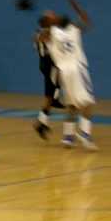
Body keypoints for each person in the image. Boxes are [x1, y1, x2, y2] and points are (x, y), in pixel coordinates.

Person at [41, 0, 98, 151]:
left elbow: (41, 36)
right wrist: (76, 5)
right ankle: (85, 135)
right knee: (88, 103)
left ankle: (68, 137)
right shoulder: (74, 30)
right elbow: (86, 19)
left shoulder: (51, 33)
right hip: (77, 68)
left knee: (72, 104)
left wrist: (49, 20)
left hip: (64, 71)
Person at [33, 12, 64, 140]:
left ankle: (42, 123)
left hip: (45, 64)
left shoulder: (39, 33)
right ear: (47, 22)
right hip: (49, 65)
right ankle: (55, 99)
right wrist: (53, 21)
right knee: (51, 95)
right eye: (50, 20)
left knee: (49, 97)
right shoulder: (45, 33)